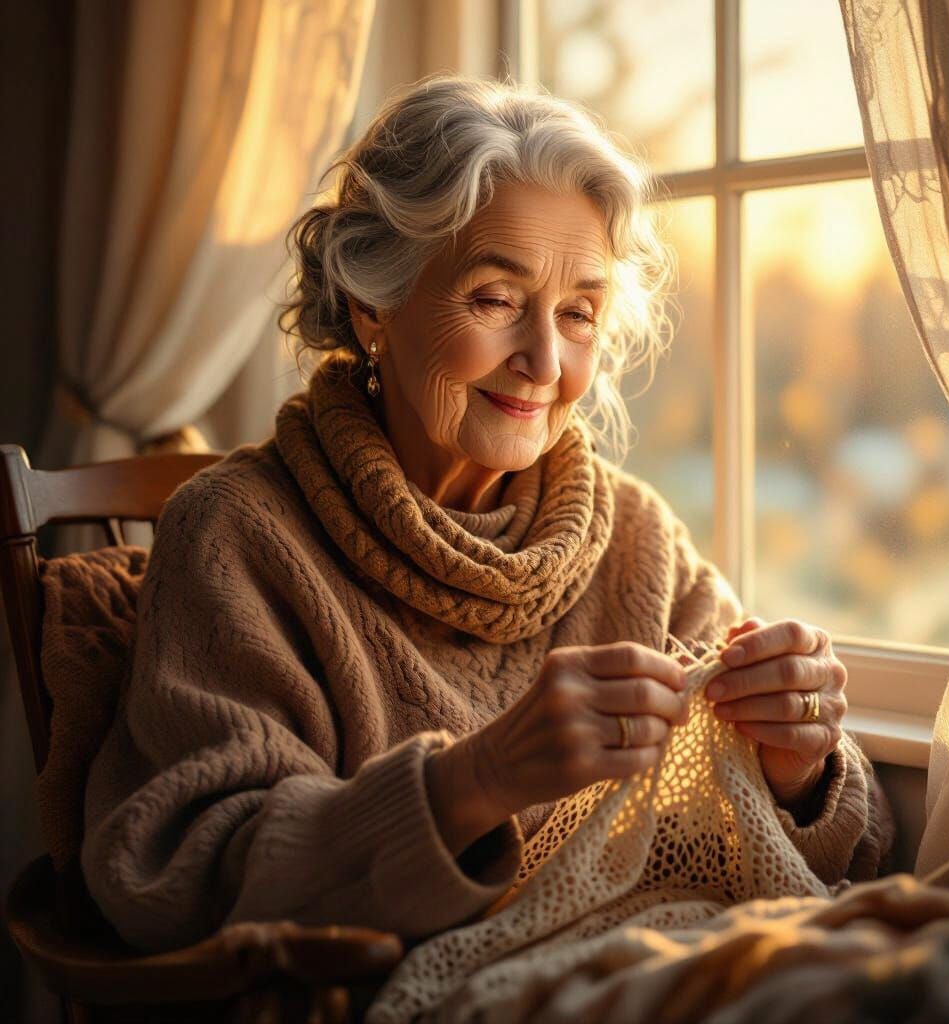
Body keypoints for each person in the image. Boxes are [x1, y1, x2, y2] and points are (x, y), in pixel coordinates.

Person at [80, 73, 894, 955]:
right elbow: (183, 875)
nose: (545, 361)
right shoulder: (238, 534)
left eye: (579, 313)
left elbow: (853, 842)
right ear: (372, 306)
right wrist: (480, 776)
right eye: (497, 300)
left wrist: (796, 765)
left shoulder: (635, 537)